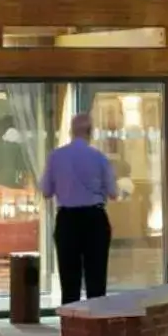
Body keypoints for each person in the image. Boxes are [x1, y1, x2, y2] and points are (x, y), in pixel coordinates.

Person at [39, 112, 116, 304]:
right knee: (96, 279)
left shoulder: (56, 157)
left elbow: (46, 191)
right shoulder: (99, 158)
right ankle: (96, 326)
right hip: (95, 218)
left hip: (67, 219)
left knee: (69, 281)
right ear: (91, 132)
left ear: (70, 131)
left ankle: (71, 328)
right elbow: (113, 192)